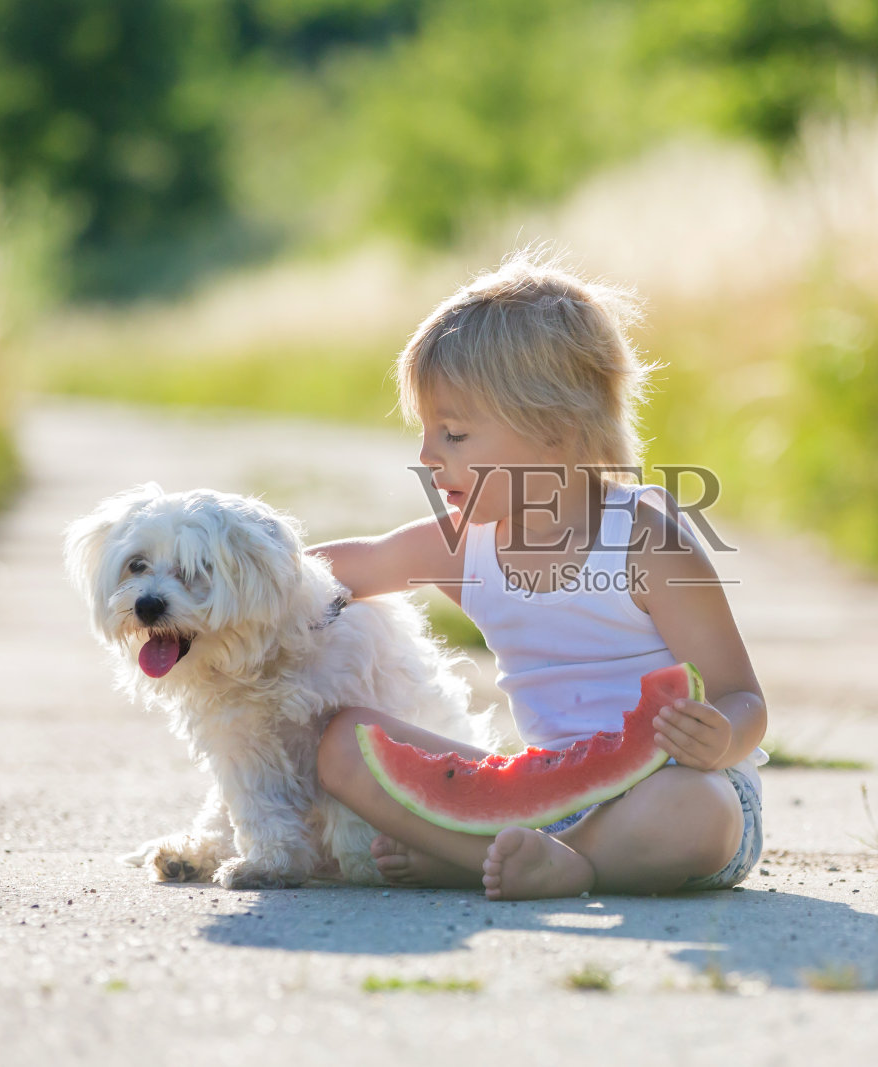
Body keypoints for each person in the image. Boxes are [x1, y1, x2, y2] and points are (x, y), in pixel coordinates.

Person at [309, 250, 768, 900]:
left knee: (693, 814)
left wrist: (721, 740)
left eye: (455, 434)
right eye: (426, 432)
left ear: (553, 430)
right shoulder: (462, 546)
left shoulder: (644, 540)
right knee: (345, 744)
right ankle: (521, 855)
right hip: (539, 792)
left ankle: (532, 861)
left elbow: (742, 696)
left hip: (678, 783)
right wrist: (226, 569)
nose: (425, 455)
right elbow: (339, 569)